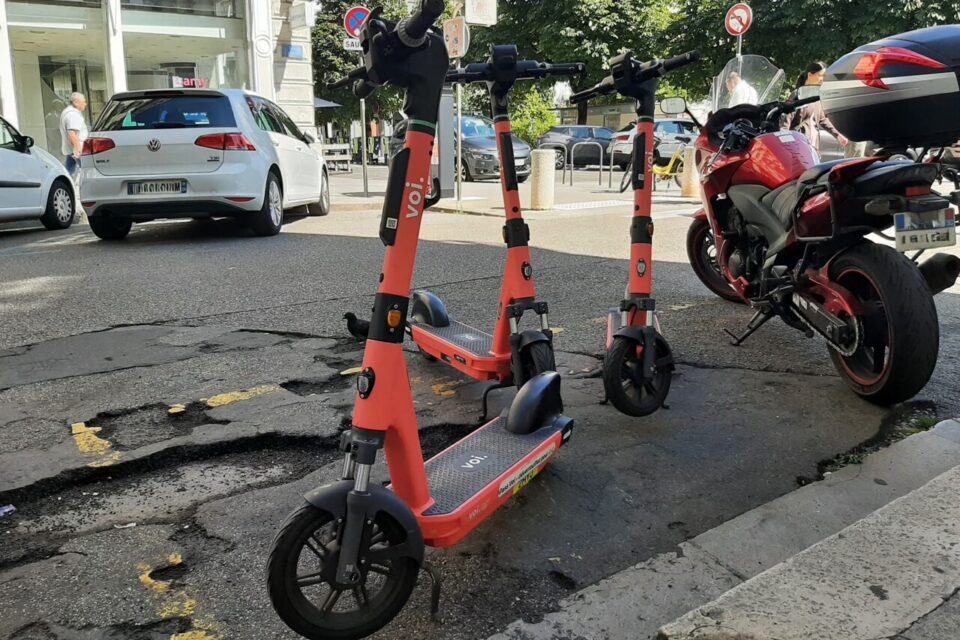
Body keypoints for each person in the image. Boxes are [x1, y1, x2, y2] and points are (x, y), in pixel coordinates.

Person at [785, 62, 849, 153]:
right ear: (810, 75)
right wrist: (786, 145)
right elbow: (785, 122)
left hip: (813, 147)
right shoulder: (798, 95)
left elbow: (822, 119)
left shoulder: (817, 96)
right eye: (820, 75)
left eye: (824, 77)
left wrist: (838, 135)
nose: (823, 79)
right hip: (798, 147)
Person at [59, 92, 88, 178]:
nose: (85, 104)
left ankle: (68, 184)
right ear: (76, 102)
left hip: (71, 150)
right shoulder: (73, 115)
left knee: (69, 171)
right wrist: (78, 150)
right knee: (85, 171)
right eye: (83, 101)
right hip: (77, 150)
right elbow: (72, 134)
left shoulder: (67, 112)